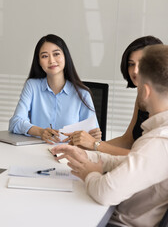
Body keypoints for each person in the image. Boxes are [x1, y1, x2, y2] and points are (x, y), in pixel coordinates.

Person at [51, 44, 168, 226]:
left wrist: (90, 173)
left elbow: (105, 192)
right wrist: (88, 155)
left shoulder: (160, 141)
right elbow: (133, 160)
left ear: (145, 91)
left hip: (115, 222)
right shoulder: (157, 133)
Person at [66, 36, 163, 155]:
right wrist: (86, 147)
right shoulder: (141, 97)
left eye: (141, 64)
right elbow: (128, 140)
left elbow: (146, 158)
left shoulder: (163, 102)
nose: (135, 70)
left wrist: (95, 145)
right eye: (131, 64)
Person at [8, 34, 101, 144]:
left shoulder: (82, 93)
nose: (51, 61)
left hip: (68, 156)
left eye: (56, 54)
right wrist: (40, 131)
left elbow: (92, 135)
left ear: (65, 56)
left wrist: (95, 137)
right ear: (38, 61)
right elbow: (15, 123)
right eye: (44, 56)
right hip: (35, 152)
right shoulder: (32, 86)